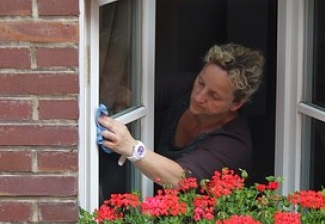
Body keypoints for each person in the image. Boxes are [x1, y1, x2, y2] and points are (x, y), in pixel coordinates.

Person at [98, 43, 265, 187]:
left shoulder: (233, 145)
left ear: (236, 104)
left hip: (191, 222)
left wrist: (132, 148)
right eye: (200, 82)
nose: (199, 97)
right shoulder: (184, 87)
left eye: (214, 96)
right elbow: (132, 97)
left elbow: (180, 179)